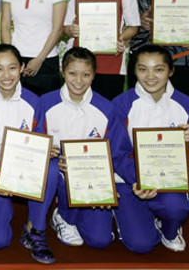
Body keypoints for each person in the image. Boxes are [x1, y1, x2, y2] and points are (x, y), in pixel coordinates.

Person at [112, 45, 189, 253]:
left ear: (171, 71)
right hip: (131, 182)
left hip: (169, 179)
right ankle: (136, 213)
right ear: (134, 71)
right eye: (142, 69)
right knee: (141, 245)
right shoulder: (121, 105)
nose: (150, 76)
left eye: (158, 69)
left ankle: (170, 228)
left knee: (176, 207)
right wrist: (137, 179)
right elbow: (116, 152)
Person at [0, 44, 57, 264]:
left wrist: (44, 150)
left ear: (22, 68)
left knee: (51, 167)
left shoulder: (34, 102)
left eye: (12, 68)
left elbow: (39, 136)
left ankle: (34, 228)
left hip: (23, 172)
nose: (6, 75)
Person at [39, 47, 136, 250]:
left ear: (94, 75)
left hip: (92, 179)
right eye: (72, 73)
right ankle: (64, 216)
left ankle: (81, 211)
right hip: (58, 175)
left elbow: (119, 152)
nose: (79, 80)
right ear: (63, 72)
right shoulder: (44, 104)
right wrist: (49, 154)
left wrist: (138, 180)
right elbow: (33, 145)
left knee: (100, 240)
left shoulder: (106, 109)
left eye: (86, 74)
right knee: (55, 170)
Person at [63, 0, 140, 100]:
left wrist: (120, 37)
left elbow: (133, 26)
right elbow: (65, 27)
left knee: (108, 113)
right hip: (79, 65)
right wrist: (72, 29)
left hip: (112, 64)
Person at [1, 0, 67, 96]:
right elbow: (4, 26)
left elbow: (58, 29)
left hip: (46, 60)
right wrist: (12, 59)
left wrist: (39, 59)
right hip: (18, 61)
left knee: (46, 112)